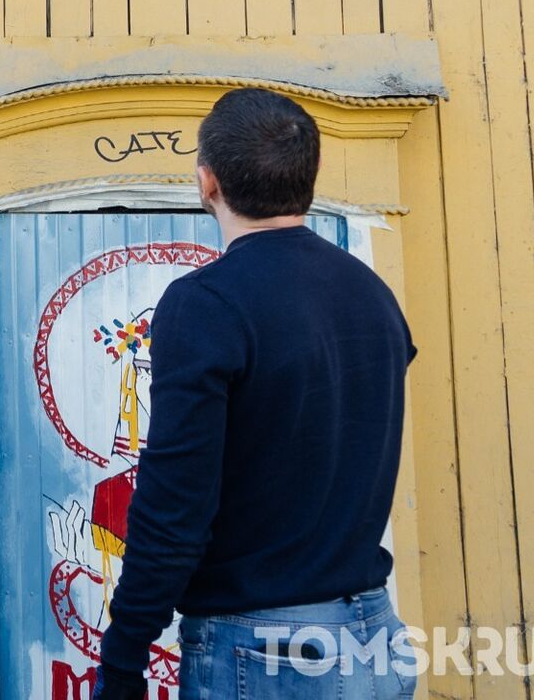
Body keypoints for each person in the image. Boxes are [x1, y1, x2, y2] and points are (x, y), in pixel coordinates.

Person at [96, 89, 417, 700]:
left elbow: (174, 506)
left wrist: (124, 657)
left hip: (266, 653)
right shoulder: (371, 295)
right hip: (374, 639)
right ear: (311, 175)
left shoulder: (205, 305)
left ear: (207, 181)